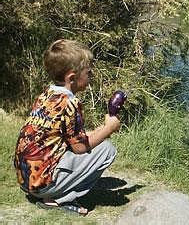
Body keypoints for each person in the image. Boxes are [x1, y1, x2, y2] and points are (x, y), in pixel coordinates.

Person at [14, 39, 121, 215]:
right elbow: (79, 147)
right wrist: (108, 129)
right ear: (72, 77)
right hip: (42, 185)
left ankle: (49, 192)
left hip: (26, 180)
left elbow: (70, 137)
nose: (91, 77)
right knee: (107, 150)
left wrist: (102, 128)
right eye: (88, 73)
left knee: (100, 143)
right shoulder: (71, 103)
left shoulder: (46, 95)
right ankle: (59, 199)